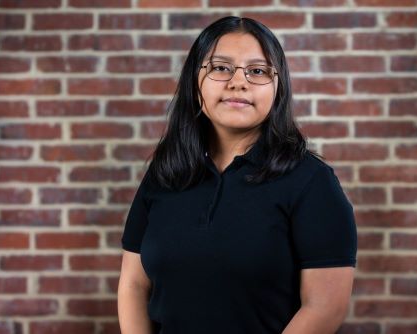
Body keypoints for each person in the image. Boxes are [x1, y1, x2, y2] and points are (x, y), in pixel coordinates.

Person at [118, 16, 357, 334]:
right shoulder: (164, 175)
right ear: (195, 81)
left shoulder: (312, 183)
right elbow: (133, 285)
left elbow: (325, 307)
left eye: (257, 71)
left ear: (278, 87)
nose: (238, 81)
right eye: (220, 67)